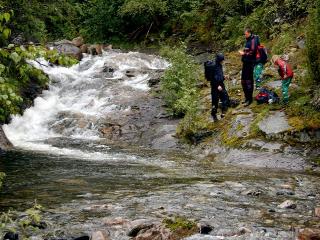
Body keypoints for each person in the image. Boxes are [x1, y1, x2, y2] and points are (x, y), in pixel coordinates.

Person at [204, 53, 229, 121]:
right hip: (215, 86)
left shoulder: (219, 65)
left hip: (221, 84)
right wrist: (217, 86)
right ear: (219, 60)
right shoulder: (213, 66)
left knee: (225, 98)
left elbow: (219, 76)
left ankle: (223, 113)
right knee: (215, 101)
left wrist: (224, 77)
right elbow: (212, 78)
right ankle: (214, 115)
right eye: (222, 60)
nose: (223, 61)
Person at [239, 28, 258, 106]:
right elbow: (248, 50)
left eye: (246, 34)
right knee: (243, 81)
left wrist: (244, 54)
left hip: (250, 63)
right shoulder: (248, 40)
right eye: (244, 34)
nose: (245, 35)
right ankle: (246, 97)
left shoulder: (253, 40)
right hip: (245, 63)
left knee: (248, 81)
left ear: (250, 33)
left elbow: (253, 52)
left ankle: (249, 99)